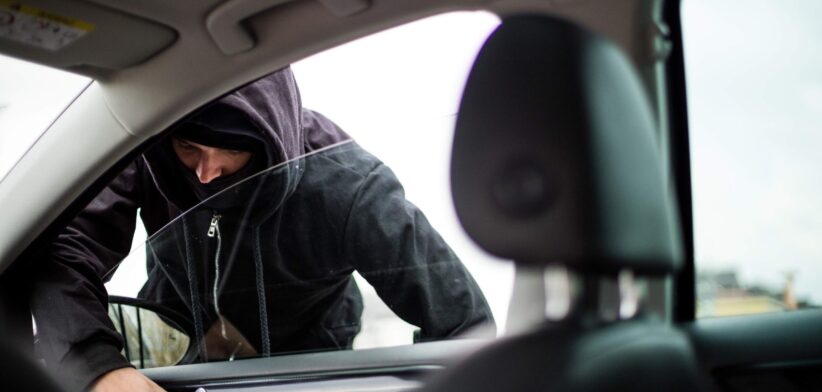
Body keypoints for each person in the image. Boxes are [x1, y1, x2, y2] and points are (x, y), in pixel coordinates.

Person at [30, 67, 495, 392]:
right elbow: (68, 251)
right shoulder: (152, 155)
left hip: (307, 355)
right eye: (190, 147)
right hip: (180, 341)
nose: (206, 173)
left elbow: (463, 321)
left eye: (229, 151)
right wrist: (94, 367)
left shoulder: (347, 183)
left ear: (265, 136)